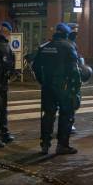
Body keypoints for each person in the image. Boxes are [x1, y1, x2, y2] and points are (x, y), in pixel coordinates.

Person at [32, 23, 81, 155]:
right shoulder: (68, 46)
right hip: (63, 86)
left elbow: (35, 66)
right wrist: (76, 87)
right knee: (66, 114)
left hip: (47, 86)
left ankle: (45, 145)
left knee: (48, 115)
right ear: (66, 34)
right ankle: (62, 145)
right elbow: (74, 70)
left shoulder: (45, 47)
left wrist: (42, 81)